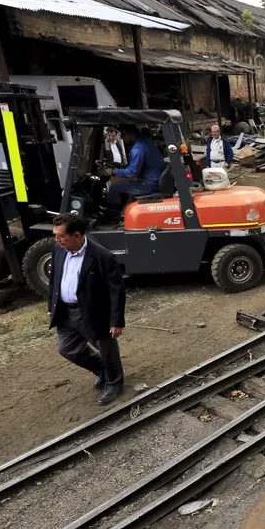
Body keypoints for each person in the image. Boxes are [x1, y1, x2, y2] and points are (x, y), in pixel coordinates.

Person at [47, 213, 126, 405]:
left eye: (61, 236)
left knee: (106, 349)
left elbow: (116, 290)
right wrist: (52, 305)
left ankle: (114, 383)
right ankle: (101, 369)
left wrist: (116, 321)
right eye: (55, 235)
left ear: (77, 235)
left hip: (94, 312)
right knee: (67, 348)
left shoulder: (102, 256)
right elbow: (54, 280)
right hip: (66, 311)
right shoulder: (58, 250)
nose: (57, 240)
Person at [103, 125, 165, 223]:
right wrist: (121, 167)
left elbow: (132, 172)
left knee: (114, 187)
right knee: (121, 185)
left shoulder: (137, 149)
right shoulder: (145, 143)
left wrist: (113, 171)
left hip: (149, 184)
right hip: (151, 180)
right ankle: (118, 213)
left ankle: (111, 219)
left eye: (123, 135)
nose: (122, 138)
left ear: (131, 134)